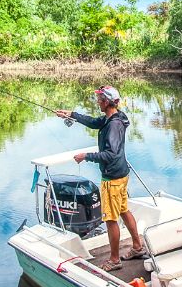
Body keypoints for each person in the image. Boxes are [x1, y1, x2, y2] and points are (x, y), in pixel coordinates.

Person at [56, 86, 144, 272]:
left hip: (112, 178)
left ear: (106, 102)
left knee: (110, 219)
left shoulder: (113, 125)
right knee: (123, 210)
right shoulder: (114, 118)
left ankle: (114, 259)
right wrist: (72, 114)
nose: (97, 102)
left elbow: (110, 154)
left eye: (99, 99)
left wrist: (86, 156)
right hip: (121, 174)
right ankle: (137, 247)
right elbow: (95, 122)